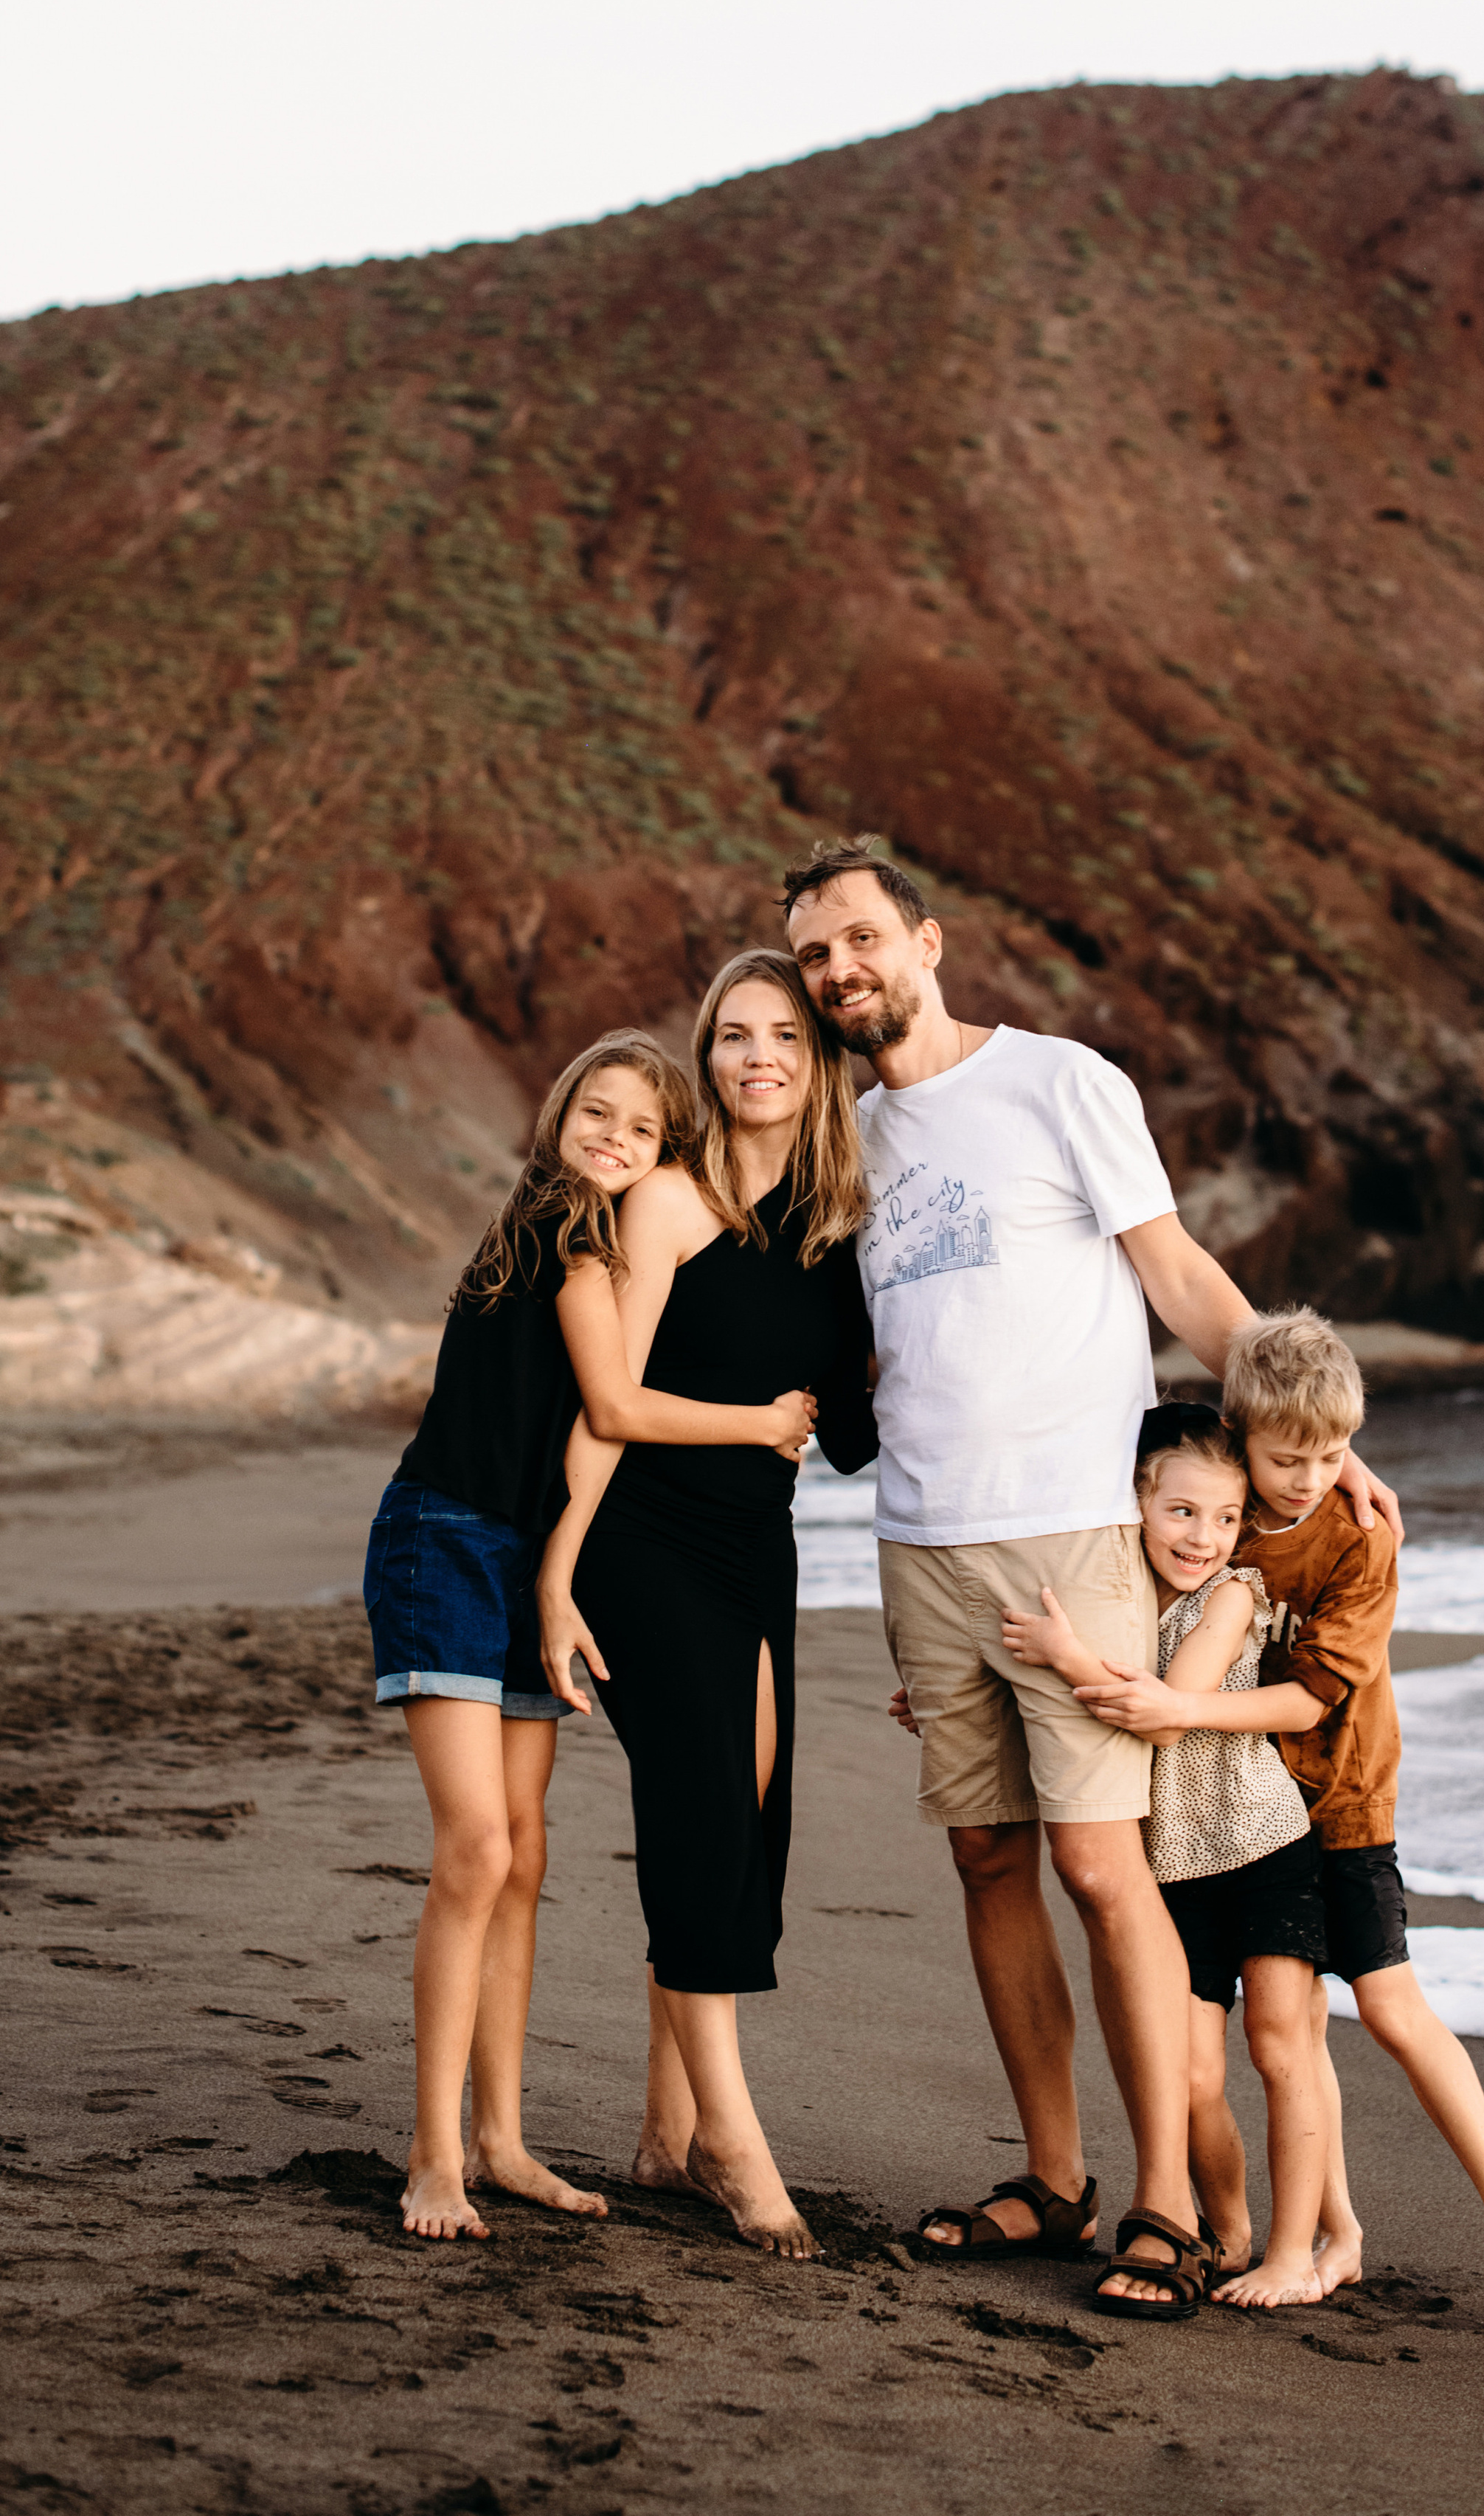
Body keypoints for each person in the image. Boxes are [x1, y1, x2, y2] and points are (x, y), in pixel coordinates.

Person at [781, 834, 1403, 2314]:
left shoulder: (1060, 1081)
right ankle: (1051, 2181)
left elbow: (1177, 1272)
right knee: (986, 1858)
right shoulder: (843, 1136)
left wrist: (1301, 1433)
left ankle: (1166, 2205)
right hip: (921, 1547)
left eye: (859, 939)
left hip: (1071, 1533)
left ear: (923, 941)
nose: (839, 971)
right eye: (813, 954)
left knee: (1096, 1865)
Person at [366, 1029, 816, 2243]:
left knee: (525, 1860)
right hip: (448, 1540)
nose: (614, 1140)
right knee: (475, 1852)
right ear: (559, 1114)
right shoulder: (564, 1227)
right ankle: (435, 2158)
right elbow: (616, 1405)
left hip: (519, 1554)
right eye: (596, 1113)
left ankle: (504, 2143)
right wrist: (762, 1421)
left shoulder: (603, 1239)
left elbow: (596, 1426)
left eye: (642, 1130)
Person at [1081, 1305, 1484, 2335]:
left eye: (1333, 1453)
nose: (1309, 1475)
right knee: (1290, 2037)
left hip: (1340, 1800)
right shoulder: (1212, 1505)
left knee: (1392, 2013)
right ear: (1242, 1437)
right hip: (1235, 1814)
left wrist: (1181, 1709)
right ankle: (1335, 2236)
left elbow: (1311, 1701)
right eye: (1289, 1456)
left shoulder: (1361, 1536)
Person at [536, 950, 878, 2262]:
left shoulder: (834, 1230)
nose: (758, 1059)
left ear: (816, 1060)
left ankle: (665, 2137)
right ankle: (735, 2140)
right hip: (640, 1540)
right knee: (701, 1813)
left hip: (756, 1549)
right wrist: (561, 1569)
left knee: (743, 1820)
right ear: (709, 1056)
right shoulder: (669, 1204)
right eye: (733, 1037)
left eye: (784, 1036)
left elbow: (849, 1430)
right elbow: (605, 1409)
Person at [996, 1404, 1331, 2315]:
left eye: (1225, 1518)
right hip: (1172, 1873)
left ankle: (1296, 2250)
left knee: (1279, 2044)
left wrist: (1063, 1654)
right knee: (1187, 2078)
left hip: (1263, 1849)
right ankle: (1226, 2229)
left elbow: (1167, 1705)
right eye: (1181, 1512)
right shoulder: (1126, 1597)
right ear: (1135, 1500)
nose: (1204, 1537)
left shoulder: (1233, 1598)